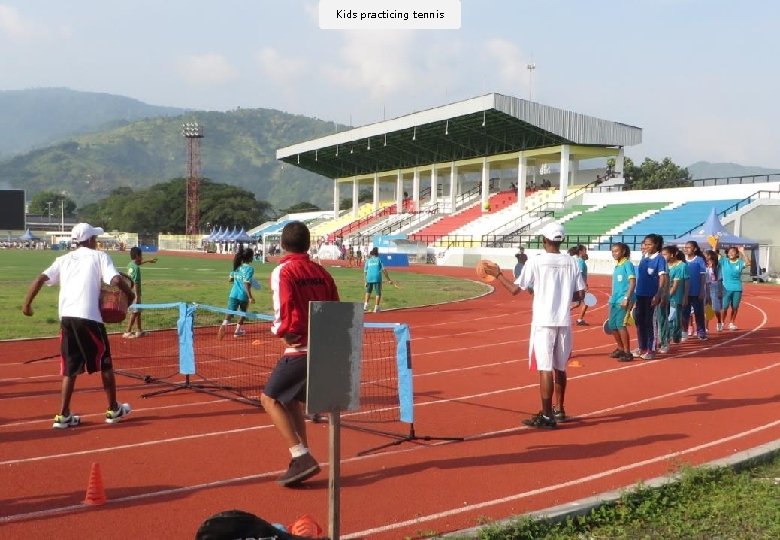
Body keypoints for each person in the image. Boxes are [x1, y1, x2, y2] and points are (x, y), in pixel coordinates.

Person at [21, 222, 135, 429]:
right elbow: (116, 280)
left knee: (70, 368)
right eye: (95, 238)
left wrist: (27, 304)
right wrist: (130, 294)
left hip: (67, 318)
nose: (97, 241)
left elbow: (40, 279)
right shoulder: (100, 256)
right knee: (105, 364)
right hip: (89, 317)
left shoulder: (62, 259)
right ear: (91, 240)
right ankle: (113, 409)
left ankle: (63, 415)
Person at [260, 221, 339, 487]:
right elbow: (335, 308)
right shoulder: (322, 272)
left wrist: (281, 330)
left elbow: (283, 307)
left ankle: (300, 455)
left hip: (300, 346)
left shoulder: (283, 271)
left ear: (282, 244)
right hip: (323, 347)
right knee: (290, 399)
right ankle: (303, 456)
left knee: (268, 399)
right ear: (308, 244)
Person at [486, 222, 585, 428]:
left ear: (543, 240)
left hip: (543, 321)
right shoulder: (572, 262)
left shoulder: (536, 262)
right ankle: (559, 409)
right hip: (564, 321)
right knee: (560, 368)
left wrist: (498, 275)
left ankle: (547, 416)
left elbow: (515, 289)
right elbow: (579, 294)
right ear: (562, 240)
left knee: (545, 368)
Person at [633, 234, 668, 360]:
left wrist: (658, 294)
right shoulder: (644, 257)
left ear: (656, 245)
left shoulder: (660, 259)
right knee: (639, 321)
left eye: (649, 244)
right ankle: (641, 347)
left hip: (651, 295)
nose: (646, 246)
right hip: (640, 294)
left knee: (650, 322)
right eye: (645, 244)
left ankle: (651, 349)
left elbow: (663, 277)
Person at [218, 247, 255, 339]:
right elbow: (246, 283)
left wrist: (237, 279)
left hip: (233, 294)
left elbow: (230, 279)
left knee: (230, 313)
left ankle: (224, 324)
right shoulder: (250, 269)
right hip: (243, 295)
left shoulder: (237, 267)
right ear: (250, 257)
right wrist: (250, 297)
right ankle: (237, 331)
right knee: (243, 313)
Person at [608, 242, 636, 362]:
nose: (614, 253)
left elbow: (632, 282)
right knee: (612, 325)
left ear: (623, 252)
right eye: (613, 251)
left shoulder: (627, 264)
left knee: (621, 325)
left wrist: (626, 298)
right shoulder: (617, 265)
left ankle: (627, 352)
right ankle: (620, 348)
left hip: (624, 299)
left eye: (616, 251)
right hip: (614, 300)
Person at [123, 246, 157, 338]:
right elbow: (136, 283)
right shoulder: (136, 269)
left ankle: (139, 330)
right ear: (137, 256)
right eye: (141, 255)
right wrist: (137, 297)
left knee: (138, 312)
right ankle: (127, 332)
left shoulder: (130, 265)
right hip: (135, 294)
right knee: (135, 312)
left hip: (131, 292)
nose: (142, 257)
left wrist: (148, 261)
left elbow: (138, 264)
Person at [662, 246, 689, 347]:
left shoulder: (682, 266)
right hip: (664, 296)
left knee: (675, 318)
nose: (663, 256)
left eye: (665, 254)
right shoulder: (663, 266)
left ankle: (676, 335)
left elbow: (686, 281)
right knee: (667, 318)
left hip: (677, 296)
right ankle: (667, 337)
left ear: (672, 255)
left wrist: (685, 296)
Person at [681, 241, 707, 340]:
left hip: (696, 292)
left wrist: (701, 290)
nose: (686, 249)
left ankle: (701, 332)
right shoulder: (682, 261)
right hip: (684, 292)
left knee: (699, 313)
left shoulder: (699, 260)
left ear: (695, 249)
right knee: (684, 313)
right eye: (685, 247)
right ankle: (684, 331)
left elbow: (703, 276)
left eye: (689, 247)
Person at [720, 246, 750, 330]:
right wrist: (715, 245)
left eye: (733, 252)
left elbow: (748, 263)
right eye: (729, 252)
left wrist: (743, 252)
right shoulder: (724, 261)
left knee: (735, 307)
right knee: (724, 307)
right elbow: (715, 256)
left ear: (736, 253)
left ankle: (731, 323)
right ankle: (721, 323)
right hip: (726, 288)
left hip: (737, 288)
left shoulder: (740, 262)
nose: (731, 253)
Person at [363, 246, 393, 313]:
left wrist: (365, 281)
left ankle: (365, 306)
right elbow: (384, 270)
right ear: (377, 253)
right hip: (377, 277)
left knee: (368, 291)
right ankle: (376, 308)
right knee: (378, 293)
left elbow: (365, 271)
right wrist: (389, 280)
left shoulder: (368, 260)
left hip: (369, 277)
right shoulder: (379, 259)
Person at [704, 249, 723, 332]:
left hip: (715, 287)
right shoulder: (703, 267)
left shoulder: (717, 268)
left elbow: (718, 279)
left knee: (715, 308)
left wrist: (719, 291)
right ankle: (706, 327)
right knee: (707, 307)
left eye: (710, 259)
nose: (708, 261)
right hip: (705, 287)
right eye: (707, 259)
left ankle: (719, 321)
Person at [571, 244, 590, 326]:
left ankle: (561, 313)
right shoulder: (581, 262)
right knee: (587, 302)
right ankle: (579, 319)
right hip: (580, 286)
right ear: (580, 252)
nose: (586, 252)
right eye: (585, 251)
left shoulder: (578, 261)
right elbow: (580, 275)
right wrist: (584, 286)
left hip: (578, 286)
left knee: (577, 304)